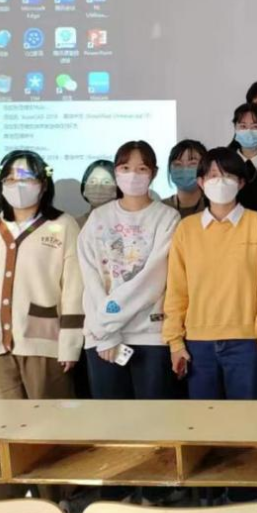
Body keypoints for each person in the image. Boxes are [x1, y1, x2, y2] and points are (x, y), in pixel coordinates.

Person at [163, 147, 257, 400]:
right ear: (201, 182)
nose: (220, 181)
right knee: (204, 419)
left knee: (248, 418)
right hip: (197, 342)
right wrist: (175, 341)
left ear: (241, 182)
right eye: (213, 175)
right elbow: (176, 290)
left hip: (247, 342)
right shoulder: (186, 229)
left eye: (228, 175)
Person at [0, 150, 83, 400]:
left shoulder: (63, 225)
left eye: (27, 178)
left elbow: (73, 289)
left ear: (43, 184)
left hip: (44, 343)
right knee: (0, 419)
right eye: (10, 179)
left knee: (48, 419)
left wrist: (70, 344)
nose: (18, 185)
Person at [79, 141, 182, 401]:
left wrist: (108, 321)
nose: (133, 175)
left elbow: (153, 279)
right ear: (116, 171)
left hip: (150, 335)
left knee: (154, 419)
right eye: (125, 168)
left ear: (153, 173)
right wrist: (106, 331)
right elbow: (90, 279)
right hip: (102, 337)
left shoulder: (167, 217)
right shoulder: (98, 218)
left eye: (141, 168)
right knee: (110, 420)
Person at [163, 140, 208, 219]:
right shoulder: (161, 208)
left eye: (192, 164)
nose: (185, 168)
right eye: (177, 164)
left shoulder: (213, 208)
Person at [78, 159, 117, 227]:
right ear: (84, 190)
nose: (98, 188)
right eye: (92, 182)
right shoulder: (74, 224)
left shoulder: (128, 224)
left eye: (106, 182)